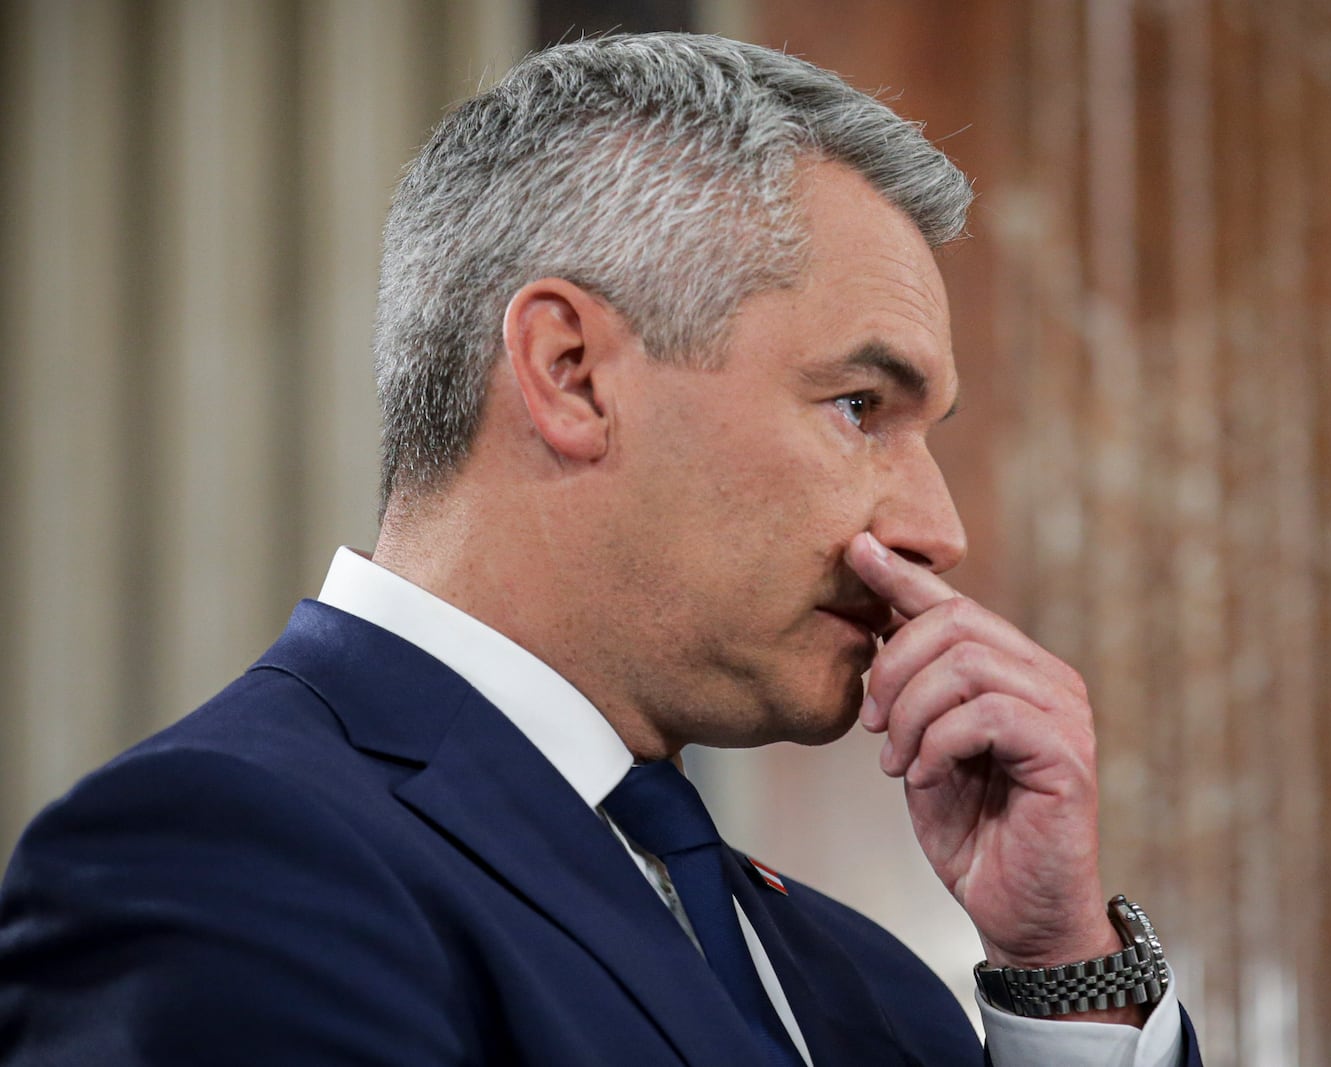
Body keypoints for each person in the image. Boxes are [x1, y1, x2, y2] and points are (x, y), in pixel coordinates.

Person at [0, 33, 1201, 1066]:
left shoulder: (865, 983)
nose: (937, 527)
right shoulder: (228, 851)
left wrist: (1057, 967)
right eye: (859, 406)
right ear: (570, 374)